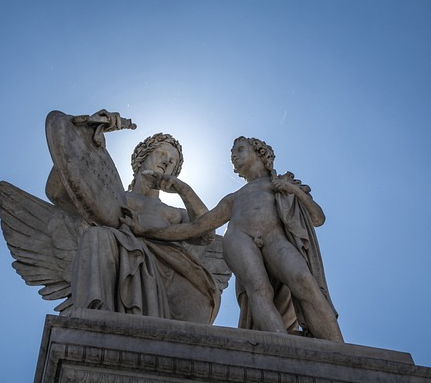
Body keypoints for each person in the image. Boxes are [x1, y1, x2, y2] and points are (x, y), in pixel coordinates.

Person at [124, 136, 343, 342]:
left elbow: (317, 218)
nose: (234, 156)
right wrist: (148, 231)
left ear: (261, 154)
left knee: (304, 280)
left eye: (240, 149)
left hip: (275, 238)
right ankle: (282, 346)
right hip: (239, 239)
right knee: (259, 290)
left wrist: (294, 191)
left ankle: (339, 348)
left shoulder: (282, 184)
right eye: (232, 153)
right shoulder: (233, 199)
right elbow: (197, 228)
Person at [67, 132, 221, 324]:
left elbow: (207, 234)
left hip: (172, 270)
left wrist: (184, 190)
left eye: (172, 162)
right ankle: (96, 313)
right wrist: (84, 142)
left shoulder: (173, 213)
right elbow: (58, 191)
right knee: (97, 234)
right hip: (120, 259)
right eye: (162, 154)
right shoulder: (113, 197)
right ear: (142, 157)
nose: (166, 162)